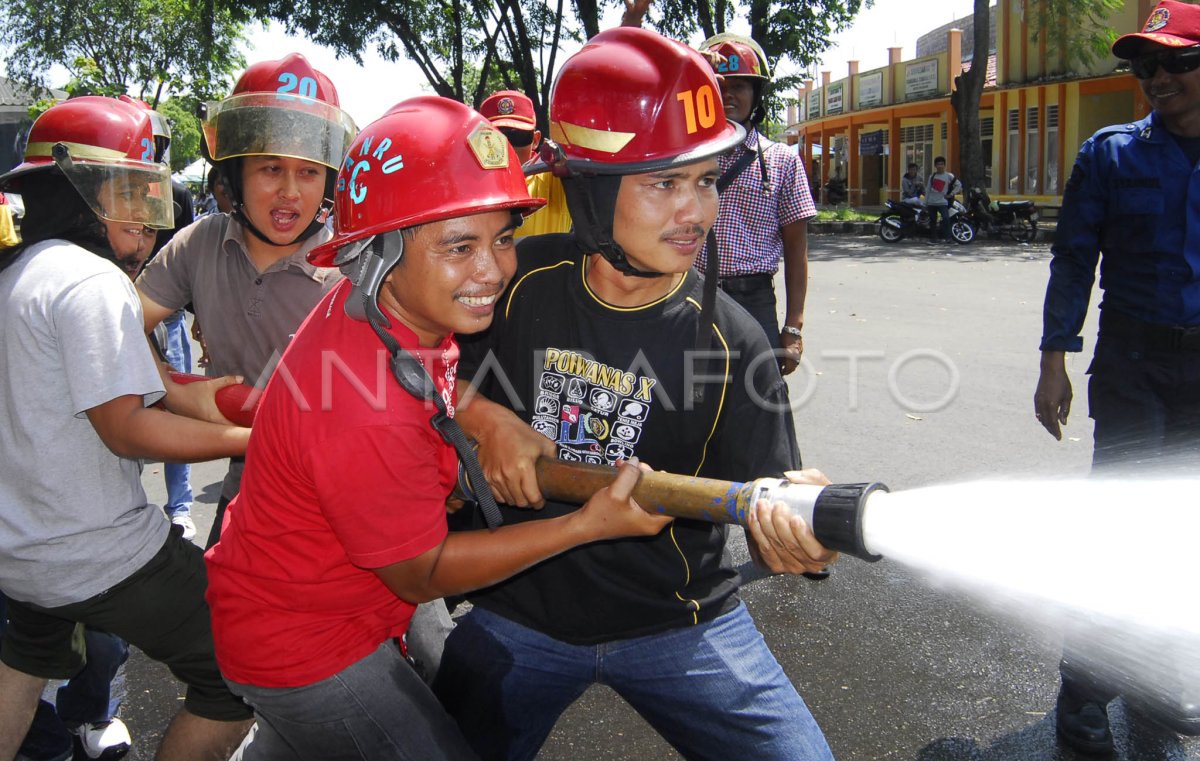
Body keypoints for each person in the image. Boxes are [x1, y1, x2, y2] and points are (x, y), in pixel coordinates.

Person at [203, 95, 670, 761]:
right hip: (307, 643)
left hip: (312, 596)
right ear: (379, 251)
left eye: (502, 238)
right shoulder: (365, 399)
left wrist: (490, 416)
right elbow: (421, 573)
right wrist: (586, 524)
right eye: (460, 246)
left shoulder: (383, 309)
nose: (492, 270)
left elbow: (433, 383)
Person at [432, 28, 837, 761]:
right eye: (664, 182)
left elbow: (772, 500)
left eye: (707, 180)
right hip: (519, 605)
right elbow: (405, 365)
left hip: (679, 619)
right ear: (588, 192)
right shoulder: (514, 279)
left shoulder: (735, 341)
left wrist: (799, 532)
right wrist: (481, 413)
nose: (696, 211)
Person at [0, 95, 255, 761]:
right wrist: (251, 439)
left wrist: (244, 399)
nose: (145, 226)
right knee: (243, 664)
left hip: (22, 550)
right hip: (95, 551)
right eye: (128, 199)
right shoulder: (92, 282)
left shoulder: (20, 274)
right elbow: (127, 428)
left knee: (23, 664)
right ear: (78, 194)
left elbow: (164, 388)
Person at [1034, 0, 1200, 754]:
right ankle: (1084, 703)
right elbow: (1074, 258)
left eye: (1174, 63)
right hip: (1133, 362)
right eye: (1145, 66)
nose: (1156, 78)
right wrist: (1053, 358)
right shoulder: (1110, 153)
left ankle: (1157, 678)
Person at [135, 52, 357, 549]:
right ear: (234, 173)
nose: (289, 192)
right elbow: (120, 322)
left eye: (308, 172)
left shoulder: (353, 265)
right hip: (250, 474)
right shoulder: (200, 244)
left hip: (346, 486)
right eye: (271, 168)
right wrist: (172, 388)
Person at [696, 33, 816, 377]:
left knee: (760, 406)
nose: (730, 94)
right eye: (720, 85)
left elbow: (797, 251)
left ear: (756, 95)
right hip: (689, 295)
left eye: (741, 86)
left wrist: (793, 329)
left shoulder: (782, 161)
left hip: (753, 300)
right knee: (688, 404)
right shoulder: (683, 158)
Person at [481, 89, 573, 239]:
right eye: (495, 137)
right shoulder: (468, 184)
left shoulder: (555, 178)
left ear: (536, 140)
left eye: (518, 136)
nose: (507, 146)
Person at [924, 156, 960, 243]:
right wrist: (926, 202)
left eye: (942, 164)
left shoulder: (949, 176)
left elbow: (959, 185)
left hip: (942, 202)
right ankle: (933, 239)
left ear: (944, 165)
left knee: (946, 219)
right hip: (931, 202)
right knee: (932, 221)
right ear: (935, 166)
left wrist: (950, 194)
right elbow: (928, 189)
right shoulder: (932, 176)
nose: (940, 166)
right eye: (938, 164)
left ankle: (948, 238)